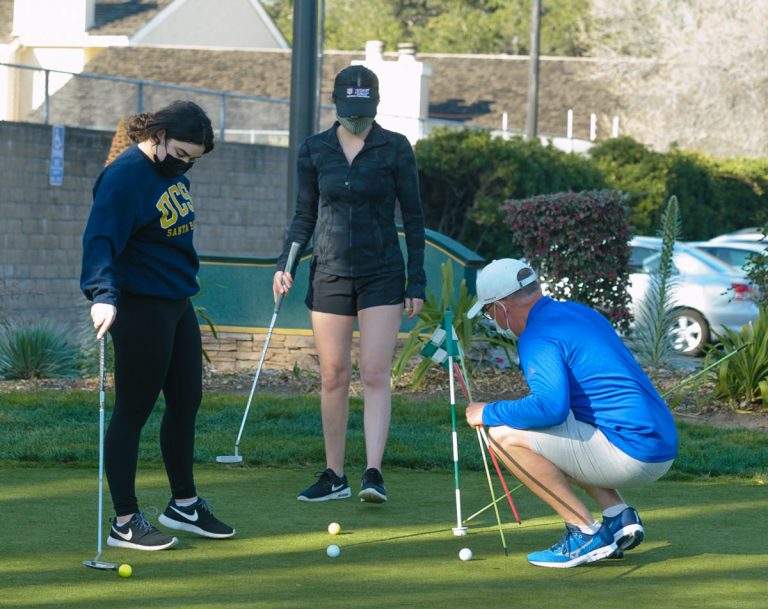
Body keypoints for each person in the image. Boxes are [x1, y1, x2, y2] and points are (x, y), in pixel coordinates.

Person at [80, 100, 235, 551]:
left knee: (186, 401)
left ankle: (183, 505)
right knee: (133, 411)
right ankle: (124, 521)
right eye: (183, 154)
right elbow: (100, 239)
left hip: (175, 301)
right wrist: (103, 296)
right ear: (160, 135)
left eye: (193, 160)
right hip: (139, 306)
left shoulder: (169, 171)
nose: (186, 165)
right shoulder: (124, 176)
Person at [274, 65, 426, 504]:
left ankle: (373, 473)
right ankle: (334, 474)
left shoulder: (395, 148)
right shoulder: (315, 149)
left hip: (382, 272)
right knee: (334, 375)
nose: (356, 117)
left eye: (363, 110)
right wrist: (285, 263)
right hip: (330, 272)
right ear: (337, 104)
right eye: (349, 109)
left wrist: (416, 279)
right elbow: (304, 214)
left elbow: (413, 219)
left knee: (376, 374)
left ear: (374, 106)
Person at [465, 258, 677, 568]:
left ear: (501, 307)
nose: (491, 318)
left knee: (499, 435)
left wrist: (488, 411)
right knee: (549, 427)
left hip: (633, 454)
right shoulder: (579, 312)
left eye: (488, 310)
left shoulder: (536, 336)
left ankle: (584, 532)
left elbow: (550, 407)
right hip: (660, 443)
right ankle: (618, 516)